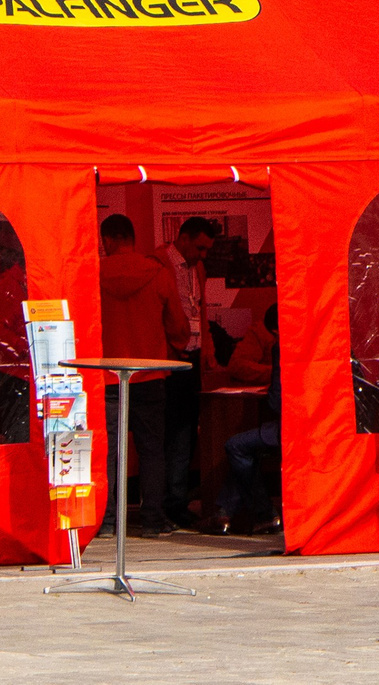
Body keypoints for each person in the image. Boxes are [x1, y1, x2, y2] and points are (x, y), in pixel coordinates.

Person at [98, 213, 184, 536]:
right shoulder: (158, 274)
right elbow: (179, 327)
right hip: (149, 376)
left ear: (108, 240)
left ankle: (107, 522)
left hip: (107, 377)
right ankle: (152, 521)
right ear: (132, 238)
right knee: (152, 451)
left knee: (110, 451)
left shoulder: (95, 274)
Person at [158, 216, 219, 526]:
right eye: (199, 247)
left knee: (184, 432)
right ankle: (167, 501)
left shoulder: (197, 269)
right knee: (172, 433)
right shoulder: (159, 264)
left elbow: (201, 310)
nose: (202, 254)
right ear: (182, 238)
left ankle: (176, 499)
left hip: (190, 356)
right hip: (171, 359)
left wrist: (206, 348)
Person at [211, 304, 282, 535]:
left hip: (287, 426)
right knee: (247, 450)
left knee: (238, 446)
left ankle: (258, 513)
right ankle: (228, 513)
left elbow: (275, 402)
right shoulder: (260, 333)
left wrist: (274, 375)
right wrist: (271, 371)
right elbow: (238, 365)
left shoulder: (281, 345)